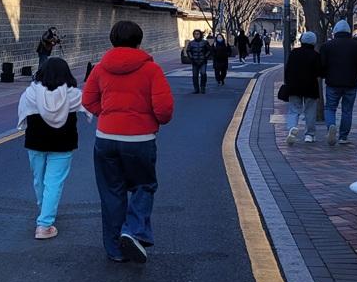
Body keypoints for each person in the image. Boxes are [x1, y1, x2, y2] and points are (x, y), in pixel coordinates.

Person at [82, 20, 175, 263]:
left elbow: (88, 100)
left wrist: (108, 114)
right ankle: (133, 230)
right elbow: (164, 109)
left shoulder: (101, 68)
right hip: (140, 139)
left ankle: (114, 249)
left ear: (112, 40)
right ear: (138, 41)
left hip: (106, 138)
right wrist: (151, 119)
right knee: (144, 186)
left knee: (112, 192)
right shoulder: (151, 70)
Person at [17, 57, 88, 240]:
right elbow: (89, 108)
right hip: (63, 144)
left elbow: (22, 117)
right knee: (54, 182)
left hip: (35, 143)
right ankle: (44, 225)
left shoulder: (30, 94)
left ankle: (44, 210)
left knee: (39, 179)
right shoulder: (74, 95)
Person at [319, 20, 357, 145]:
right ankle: (343, 136)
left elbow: (321, 65)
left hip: (332, 82)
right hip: (351, 82)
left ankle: (331, 125)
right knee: (347, 110)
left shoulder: (327, 46)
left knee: (330, 107)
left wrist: (326, 75)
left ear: (335, 31)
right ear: (349, 32)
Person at [283, 31, 324, 144]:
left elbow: (287, 70)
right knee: (310, 111)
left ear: (301, 41)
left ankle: (292, 129)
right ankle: (309, 135)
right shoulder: (315, 55)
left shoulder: (294, 53)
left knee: (293, 110)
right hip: (310, 87)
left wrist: (288, 83)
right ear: (314, 42)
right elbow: (320, 72)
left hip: (294, 86)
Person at [184, 30, 212, 94]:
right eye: (195, 34)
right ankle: (196, 89)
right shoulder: (191, 43)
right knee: (195, 75)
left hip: (203, 61)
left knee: (203, 74)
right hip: (194, 61)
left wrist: (205, 57)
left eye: (198, 34)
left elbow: (209, 50)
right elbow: (188, 51)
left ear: (200, 34)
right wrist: (191, 58)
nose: (196, 35)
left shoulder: (205, 42)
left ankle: (203, 87)